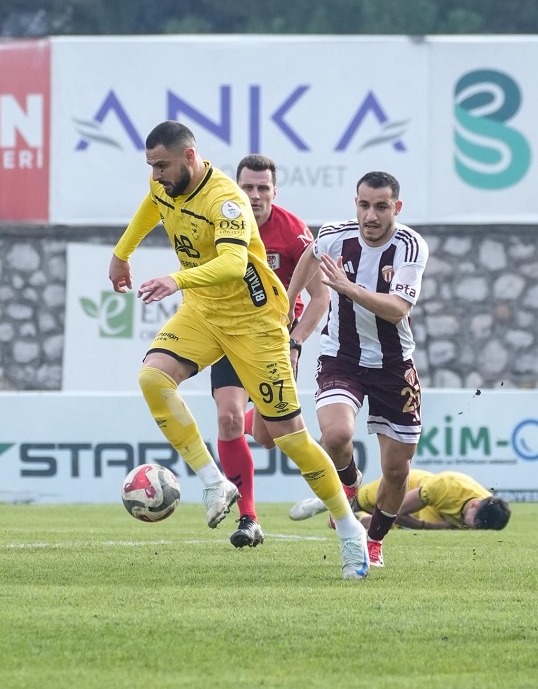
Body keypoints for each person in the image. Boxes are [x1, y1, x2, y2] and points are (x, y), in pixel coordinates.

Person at [108, 120, 369, 580]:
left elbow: (231, 265)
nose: (156, 174)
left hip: (255, 324)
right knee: (152, 377)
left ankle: (350, 532)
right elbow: (154, 205)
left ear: (191, 157)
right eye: (150, 165)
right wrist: (122, 252)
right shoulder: (165, 185)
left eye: (163, 165)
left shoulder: (225, 200)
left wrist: (175, 279)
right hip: (204, 313)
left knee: (289, 438)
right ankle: (214, 483)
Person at [285, 170, 429, 568]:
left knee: (397, 471)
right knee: (335, 434)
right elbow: (310, 256)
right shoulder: (335, 235)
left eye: (381, 207)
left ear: (396, 208)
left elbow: (398, 308)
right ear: (356, 204)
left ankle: (376, 540)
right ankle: (348, 485)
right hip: (341, 355)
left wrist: (346, 288)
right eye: (364, 205)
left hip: (393, 365)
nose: (371, 215)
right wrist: (291, 296)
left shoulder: (410, 247)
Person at [211, 154, 329, 549]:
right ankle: (248, 518)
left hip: (275, 344)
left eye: (263, 188)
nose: (255, 195)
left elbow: (320, 298)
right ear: (236, 188)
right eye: (248, 187)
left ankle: (250, 421)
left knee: (265, 437)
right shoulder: (219, 224)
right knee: (226, 418)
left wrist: (295, 342)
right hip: (229, 333)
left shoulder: (294, 232)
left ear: (274, 192)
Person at [289, 468, 511, 534]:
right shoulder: (446, 487)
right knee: (367, 505)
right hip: (410, 486)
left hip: (437, 512)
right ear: (473, 504)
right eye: (468, 521)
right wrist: (429, 526)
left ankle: (346, 519)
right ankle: (325, 501)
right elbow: (394, 511)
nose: (467, 526)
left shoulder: (485, 511)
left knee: (355, 523)